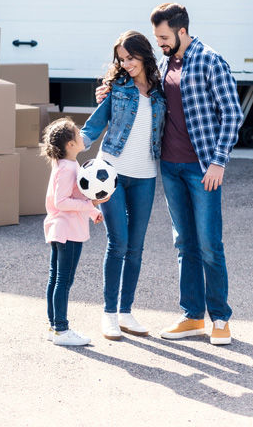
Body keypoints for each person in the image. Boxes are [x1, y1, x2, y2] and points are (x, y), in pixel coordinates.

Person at [96, 2, 243, 346]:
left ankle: (219, 318)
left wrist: (218, 162)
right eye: (156, 37)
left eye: (163, 36)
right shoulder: (164, 64)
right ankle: (192, 316)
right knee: (183, 243)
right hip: (169, 167)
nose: (159, 42)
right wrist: (106, 91)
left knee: (209, 243)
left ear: (180, 31)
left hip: (202, 168)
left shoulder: (210, 60)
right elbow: (139, 90)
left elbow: (232, 114)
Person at [81, 31, 166, 340]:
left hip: (145, 176)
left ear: (144, 54)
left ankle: (127, 311)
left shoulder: (160, 92)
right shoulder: (116, 89)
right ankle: (109, 314)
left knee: (136, 247)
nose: (126, 64)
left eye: (130, 58)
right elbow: (92, 127)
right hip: (110, 173)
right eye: (121, 59)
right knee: (118, 243)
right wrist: (66, 148)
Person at [42, 117, 105, 346]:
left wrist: (92, 210)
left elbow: (76, 196)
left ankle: (53, 326)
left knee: (56, 279)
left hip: (61, 229)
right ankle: (61, 329)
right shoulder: (68, 168)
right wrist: (90, 207)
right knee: (63, 281)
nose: (82, 137)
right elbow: (62, 201)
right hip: (67, 231)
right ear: (70, 145)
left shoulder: (64, 166)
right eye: (78, 135)